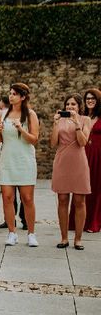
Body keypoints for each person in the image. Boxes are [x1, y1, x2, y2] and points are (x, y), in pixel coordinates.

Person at [0, 84, 40, 247]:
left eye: (14, 94)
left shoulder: (30, 114)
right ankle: (12, 233)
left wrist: (21, 128)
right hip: (7, 160)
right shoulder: (3, 114)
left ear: (23, 97)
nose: (11, 96)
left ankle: (31, 234)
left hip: (25, 160)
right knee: (7, 197)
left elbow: (34, 139)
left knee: (27, 198)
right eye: (10, 93)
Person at [51, 94, 91, 250]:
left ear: (79, 106)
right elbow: (53, 143)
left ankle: (78, 239)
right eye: (67, 104)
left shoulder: (85, 120)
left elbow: (82, 142)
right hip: (62, 161)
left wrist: (76, 123)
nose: (70, 107)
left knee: (79, 201)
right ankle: (64, 238)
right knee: (62, 199)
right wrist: (55, 124)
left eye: (73, 104)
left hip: (78, 161)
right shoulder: (59, 120)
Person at [69, 88, 101, 233]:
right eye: (87, 98)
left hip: (98, 156)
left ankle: (93, 222)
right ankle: (75, 222)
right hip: (82, 154)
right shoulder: (80, 117)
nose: (90, 100)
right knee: (80, 189)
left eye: (93, 98)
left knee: (95, 188)